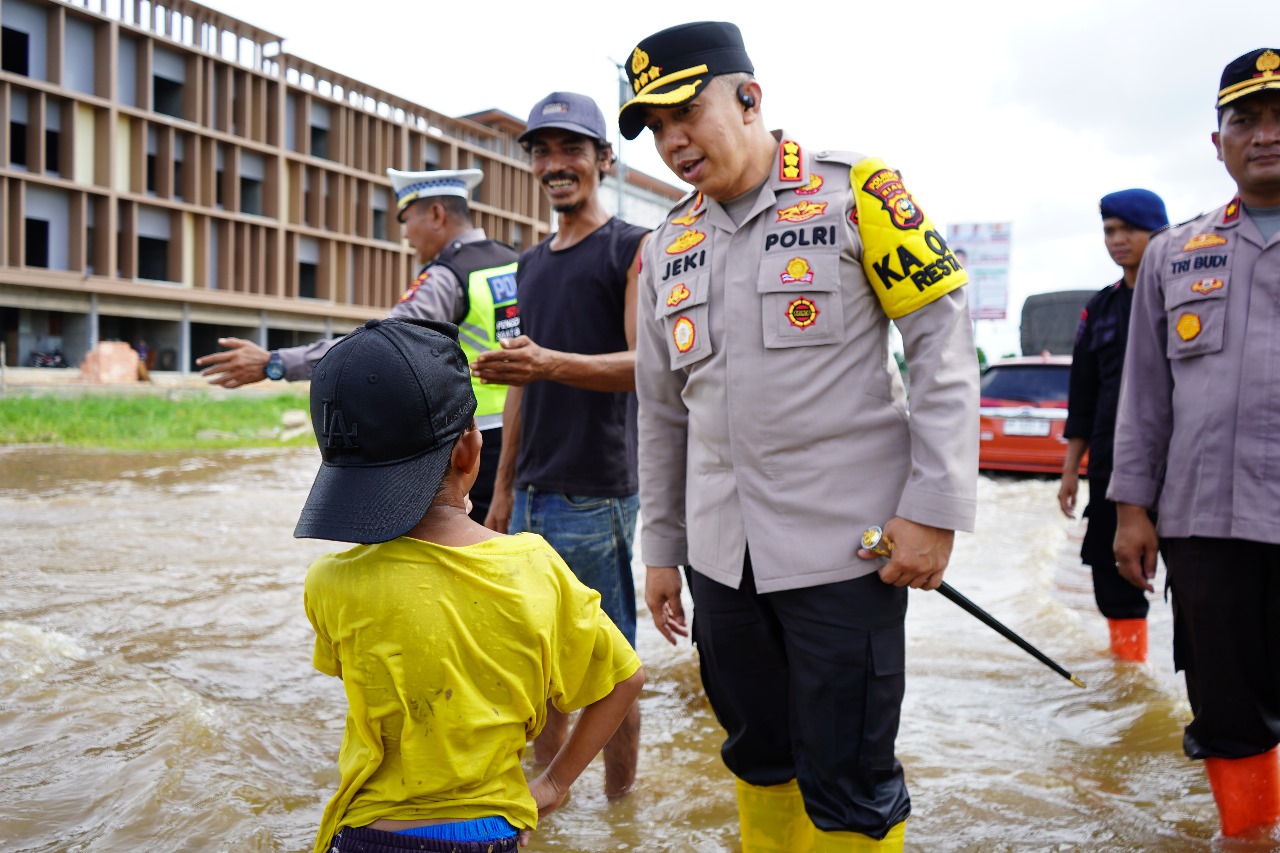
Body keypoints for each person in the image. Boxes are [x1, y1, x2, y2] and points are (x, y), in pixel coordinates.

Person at [620, 21, 979, 852]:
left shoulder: (857, 193)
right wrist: (662, 548)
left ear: (750, 98)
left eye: (687, 113)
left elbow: (940, 347)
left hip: (844, 550)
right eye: (655, 128)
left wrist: (934, 510)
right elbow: (664, 411)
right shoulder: (665, 244)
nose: (675, 142)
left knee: (849, 773)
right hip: (721, 557)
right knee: (756, 753)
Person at [295, 316, 644, 853]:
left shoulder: (329, 582)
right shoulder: (535, 566)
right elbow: (623, 680)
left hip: (368, 833)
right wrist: (552, 782)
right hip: (490, 834)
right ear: (469, 451)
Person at [1110, 47, 1280, 839]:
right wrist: (1131, 512)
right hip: (1207, 524)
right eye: (1246, 119)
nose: (1265, 134)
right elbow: (1145, 397)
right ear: (1218, 142)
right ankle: (1247, 836)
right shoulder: (1176, 254)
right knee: (1226, 703)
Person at [470, 91, 649, 799]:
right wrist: (502, 488)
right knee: (540, 670)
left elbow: (648, 367)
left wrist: (545, 362)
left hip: (596, 493)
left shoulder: (633, 248)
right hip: (531, 496)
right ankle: (557, 801)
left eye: (571, 148)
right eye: (541, 151)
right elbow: (521, 382)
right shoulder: (530, 262)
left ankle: (620, 812)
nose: (554, 164)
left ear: (604, 159)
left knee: (609, 669)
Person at [195, 169, 519, 523]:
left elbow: (377, 349)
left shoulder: (445, 278)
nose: (405, 233)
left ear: (437, 214)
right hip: (527, 440)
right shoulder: (517, 263)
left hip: (473, 450)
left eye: (407, 219)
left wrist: (275, 363)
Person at [1057, 189, 1168, 663]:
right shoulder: (1099, 309)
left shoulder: (1182, 296)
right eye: (1109, 231)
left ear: (1159, 232)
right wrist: (1069, 470)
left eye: (1130, 229)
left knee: (1199, 578)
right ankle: (1131, 679)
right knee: (1112, 571)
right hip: (1109, 462)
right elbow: (1082, 394)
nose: (1117, 240)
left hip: (1179, 461)